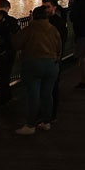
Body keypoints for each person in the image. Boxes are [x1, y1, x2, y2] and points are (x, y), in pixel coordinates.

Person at [12, 7, 63, 135]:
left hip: (33, 64)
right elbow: (59, 47)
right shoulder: (53, 29)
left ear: (33, 17)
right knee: (47, 94)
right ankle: (46, 122)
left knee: (33, 95)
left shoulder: (29, 29)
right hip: (52, 65)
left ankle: (30, 125)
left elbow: (17, 44)